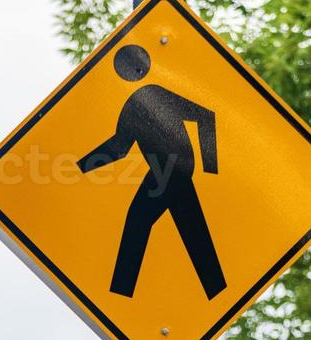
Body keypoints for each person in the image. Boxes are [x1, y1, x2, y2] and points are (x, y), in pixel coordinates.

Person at [77, 43, 227, 301]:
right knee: (181, 227)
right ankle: (216, 291)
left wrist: (211, 167)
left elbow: (204, 116)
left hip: (173, 171)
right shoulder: (134, 103)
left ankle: (122, 294)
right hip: (164, 173)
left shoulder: (152, 95)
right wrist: (80, 167)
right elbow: (120, 147)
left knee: (145, 222)